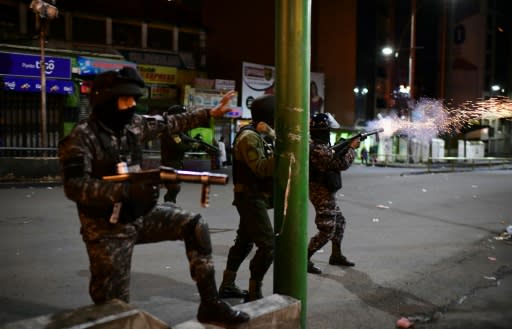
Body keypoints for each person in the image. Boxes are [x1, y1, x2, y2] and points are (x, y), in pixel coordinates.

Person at [58, 67, 249, 325]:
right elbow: (75, 185)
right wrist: (124, 191)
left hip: (140, 214)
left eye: (134, 99)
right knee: (114, 308)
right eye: (126, 99)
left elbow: (170, 122)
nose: (132, 105)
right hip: (107, 228)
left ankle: (211, 304)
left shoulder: (132, 125)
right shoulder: (82, 137)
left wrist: (210, 113)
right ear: (106, 100)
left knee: (195, 226)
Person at [218, 94, 275, 302]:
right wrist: (284, 154)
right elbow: (260, 168)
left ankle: (227, 284)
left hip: (255, 196)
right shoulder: (249, 137)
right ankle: (254, 291)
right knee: (268, 245)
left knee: (244, 242)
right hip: (250, 198)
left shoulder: (262, 134)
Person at [307, 112, 361, 275]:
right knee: (327, 229)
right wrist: (351, 148)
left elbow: (333, 153)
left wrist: (343, 145)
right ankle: (304, 258)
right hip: (320, 191)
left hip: (325, 190)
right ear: (323, 131)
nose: (330, 133)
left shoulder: (320, 146)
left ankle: (336, 255)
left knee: (339, 222)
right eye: (328, 130)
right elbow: (342, 163)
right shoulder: (318, 149)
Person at [160, 104, 196, 203]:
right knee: (174, 189)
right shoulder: (171, 131)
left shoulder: (176, 130)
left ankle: (170, 206)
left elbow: (184, 139)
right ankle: (168, 208)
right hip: (170, 165)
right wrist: (193, 146)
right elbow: (180, 147)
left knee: (174, 189)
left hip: (174, 164)